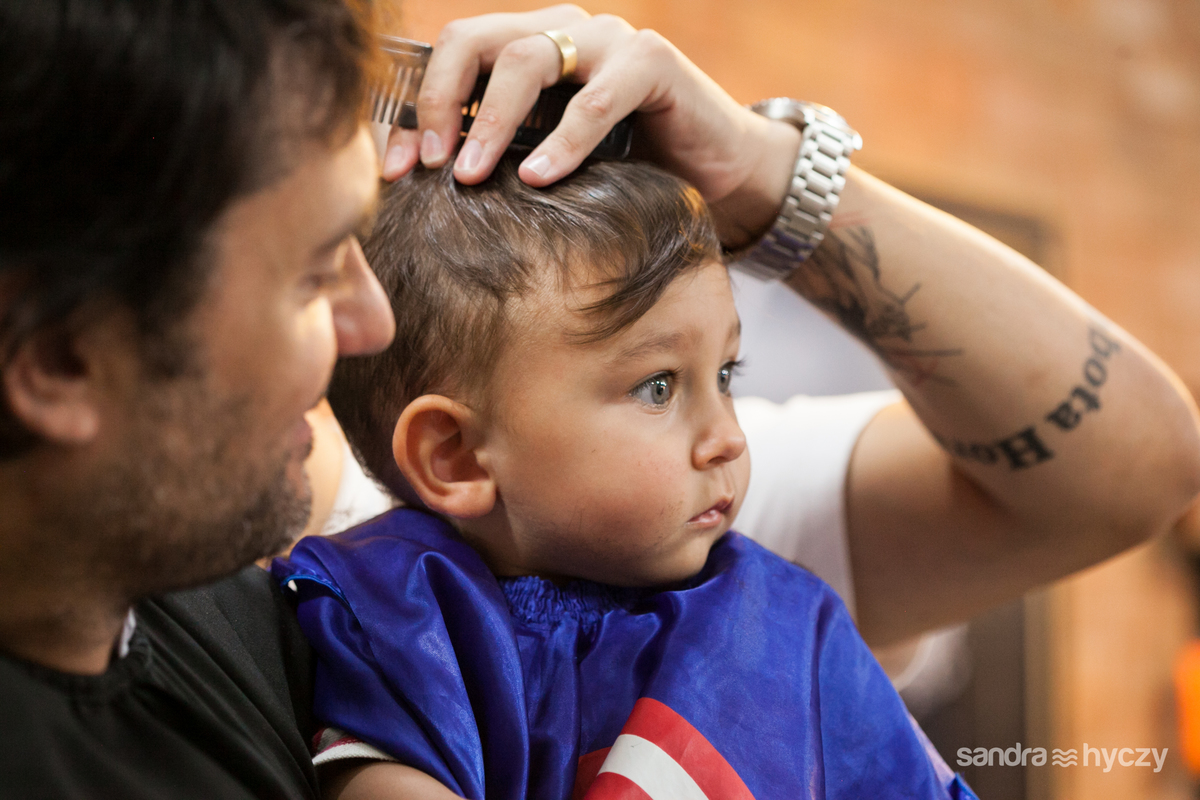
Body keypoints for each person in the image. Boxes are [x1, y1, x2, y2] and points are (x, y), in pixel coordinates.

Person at [1, 1, 1198, 796]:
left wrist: (760, 175)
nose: (365, 323)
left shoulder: (655, 535)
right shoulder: (419, 580)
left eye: (720, 374)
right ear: (59, 362)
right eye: (313, 271)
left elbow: (1131, 468)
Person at [274, 156, 978, 799]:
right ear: (455, 455)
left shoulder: (782, 627)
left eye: (726, 374)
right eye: (658, 387)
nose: (729, 438)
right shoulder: (395, 617)